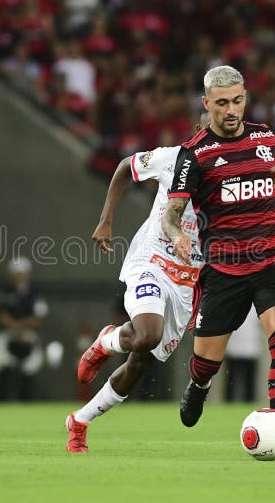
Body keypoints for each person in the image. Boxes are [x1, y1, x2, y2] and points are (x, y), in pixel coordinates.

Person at [161, 65, 275, 458]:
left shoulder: (267, 138)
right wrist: (177, 235)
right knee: (206, 360)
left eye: (239, 100)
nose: (232, 110)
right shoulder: (194, 154)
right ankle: (199, 386)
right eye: (223, 103)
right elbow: (172, 213)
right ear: (207, 103)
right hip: (224, 269)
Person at [66, 126, 205, 453]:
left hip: (187, 282)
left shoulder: (230, 178)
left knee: (141, 363)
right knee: (147, 335)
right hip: (151, 262)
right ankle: (107, 342)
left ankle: (79, 421)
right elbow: (124, 167)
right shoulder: (172, 159)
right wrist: (106, 219)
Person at [0, 256, 48, 401]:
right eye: (17, 274)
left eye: (22, 273)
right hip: (6, 333)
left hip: (28, 334)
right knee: (1, 364)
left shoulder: (35, 293)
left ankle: (26, 401)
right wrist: (15, 327)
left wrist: (20, 327)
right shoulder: (3, 291)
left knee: (29, 368)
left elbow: (38, 318)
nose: (19, 277)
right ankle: (0, 401)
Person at [224, 306, 263, 402]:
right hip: (233, 347)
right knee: (231, 381)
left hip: (251, 348)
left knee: (250, 382)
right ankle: (228, 403)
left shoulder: (257, 304)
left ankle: (249, 403)